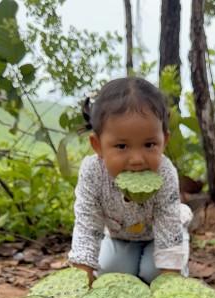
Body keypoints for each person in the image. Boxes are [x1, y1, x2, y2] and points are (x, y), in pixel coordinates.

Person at [68, 77, 192, 285]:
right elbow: (87, 227)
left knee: (153, 275)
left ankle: (179, 257)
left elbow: (168, 231)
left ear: (164, 141)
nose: (137, 160)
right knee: (111, 274)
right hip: (119, 237)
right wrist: (81, 284)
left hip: (161, 235)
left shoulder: (165, 172)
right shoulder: (92, 172)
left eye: (150, 144)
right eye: (122, 147)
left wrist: (172, 286)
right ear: (97, 145)